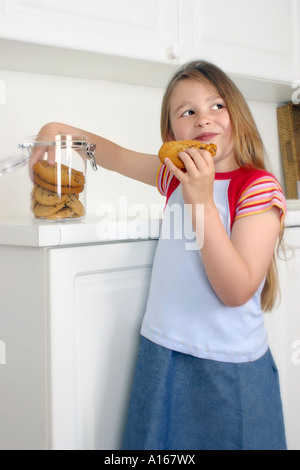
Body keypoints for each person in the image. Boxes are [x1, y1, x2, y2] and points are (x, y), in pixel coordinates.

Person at [30, 60, 287, 450]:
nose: (204, 120)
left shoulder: (257, 187)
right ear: (172, 135)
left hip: (227, 368)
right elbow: (113, 155)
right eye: (188, 112)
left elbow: (236, 290)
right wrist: (55, 132)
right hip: (163, 355)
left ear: (239, 114)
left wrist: (200, 201)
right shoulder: (174, 174)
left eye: (217, 106)